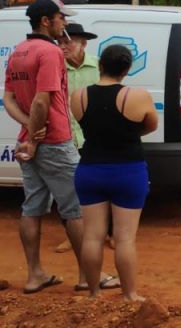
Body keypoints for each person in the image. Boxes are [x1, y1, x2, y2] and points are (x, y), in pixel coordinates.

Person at [2, 0, 87, 294]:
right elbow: (42, 99)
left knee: (32, 207)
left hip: (29, 141)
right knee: (75, 208)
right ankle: (88, 276)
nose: (65, 23)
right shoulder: (48, 53)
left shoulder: (19, 51)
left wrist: (27, 130)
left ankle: (35, 273)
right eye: (60, 18)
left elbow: (9, 99)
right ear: (45, 21)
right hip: (54, 141)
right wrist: (37, 137)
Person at [71, 44, 159, 301]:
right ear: (127, 69)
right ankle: (130, 294)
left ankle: (94, 292)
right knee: (124, 239)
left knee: (92, 235)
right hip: (128, 170)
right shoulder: (138, 96)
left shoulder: (79, 96)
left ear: (100, 65)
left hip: (90, 169)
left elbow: (86, 124)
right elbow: (150, 125)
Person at [54, 22, 102, 255]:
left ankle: (107, 233)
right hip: (66, 137)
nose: (64, 46)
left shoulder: (98, 67)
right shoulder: (55, 67)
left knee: (99, 186)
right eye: (60, 41)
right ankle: (71, 235)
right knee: (70, 188)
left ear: (84, 43)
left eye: (69, 41)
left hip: (95, 137)